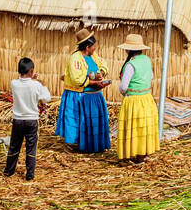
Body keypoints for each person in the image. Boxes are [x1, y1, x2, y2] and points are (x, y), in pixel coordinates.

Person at [55, 28, 112, 153]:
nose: (95, 49)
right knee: (77, 120)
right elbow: (76, 78)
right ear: (87, 47)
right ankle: (74, 144)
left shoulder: (93, 56)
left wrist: (101, 73)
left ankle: (92, 143)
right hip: (79, 95)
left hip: (94, 96)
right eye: (93, 47)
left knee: (91, 121)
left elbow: (103, 64)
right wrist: (94, 82)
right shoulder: (75, 58)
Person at [115, 33, 159, 164]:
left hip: (134, 101)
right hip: (147, 99)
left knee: (135, 127)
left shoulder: (130, 65)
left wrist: (125, 93)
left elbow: (123, 86)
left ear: (128, 49)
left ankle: (138, 157)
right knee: (144, 126)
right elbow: (150, 76)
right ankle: (144, 154)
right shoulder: (146, 60)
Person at [5, 57, 51, 180]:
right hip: (31, 120)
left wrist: (33, 80)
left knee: (14, 146)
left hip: (18, 120)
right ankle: (29, 175)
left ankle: (9, 171)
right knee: (31, 148)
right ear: (31, 71)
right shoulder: (36, 85)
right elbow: (46, 98)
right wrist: (42, 84)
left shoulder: (13, 84)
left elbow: (24, 83)